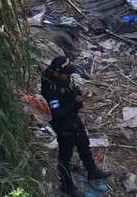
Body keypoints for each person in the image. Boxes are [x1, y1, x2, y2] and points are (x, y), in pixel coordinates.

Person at [40, 55, 112, 195]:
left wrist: (79, 96)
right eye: (65, 74)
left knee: (83, 144)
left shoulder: (63, 79)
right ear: (56, 72)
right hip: (63, 126)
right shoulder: (50, 88)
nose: (68, 76)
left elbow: (71, 91)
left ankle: (92, 171)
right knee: (65, 158)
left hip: (73, 120)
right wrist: (76, 102)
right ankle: (67, 187)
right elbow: (57, 113)